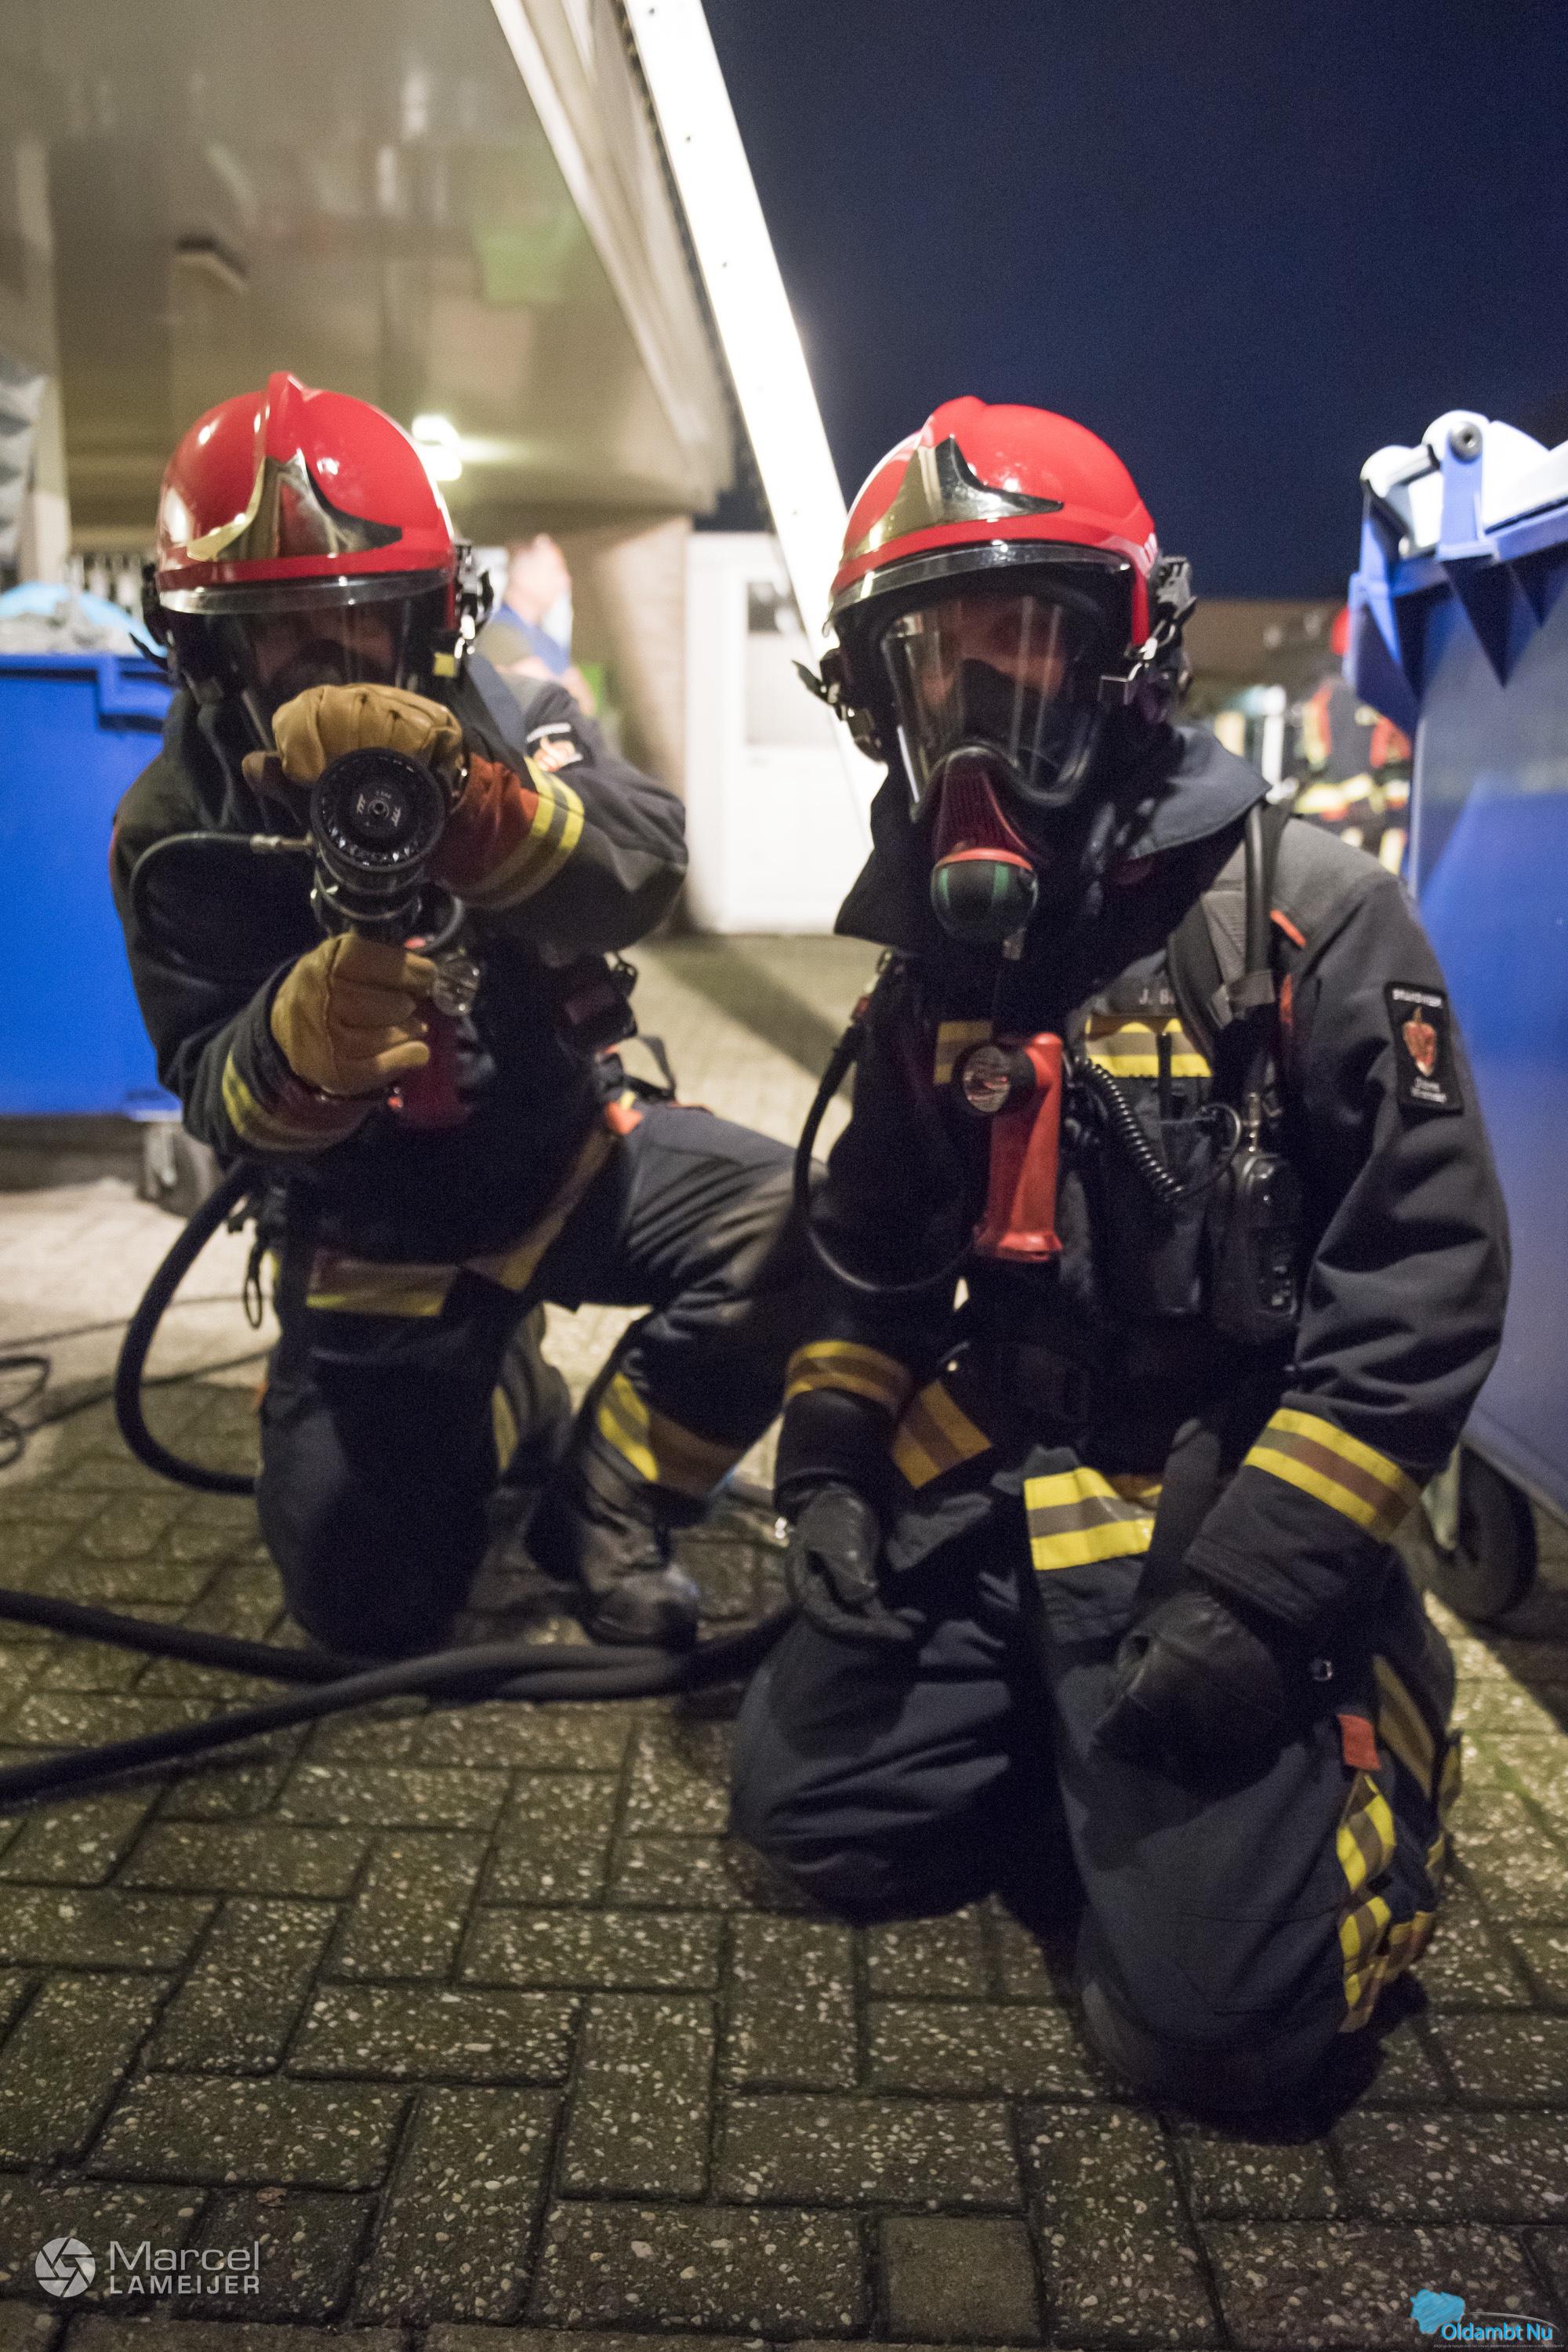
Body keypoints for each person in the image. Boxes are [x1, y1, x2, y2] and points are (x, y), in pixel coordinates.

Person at [729, 397, 1508, 2112]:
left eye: (1024, 635)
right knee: (811, 1820)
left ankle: (1376, 1718)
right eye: (931, 657)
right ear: (878, 696)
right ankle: (1080, 1746)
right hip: (1002, 1455)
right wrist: (836, 1466)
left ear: (1128, 653)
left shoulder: (1302, 916)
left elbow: (1425, 1286)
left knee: (1218, 2040)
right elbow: (870, 1244)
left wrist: (1258, 1595)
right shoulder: (937, 958)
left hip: (1215, 1493)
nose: (977, 699)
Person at [114, 371, 821, 1657]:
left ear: (430, 620)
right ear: (206, 650)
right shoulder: (174, 833)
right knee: (365, 1608)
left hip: (563, 1160)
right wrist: (291, 1052)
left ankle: (606, 1510)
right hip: (371, 1226)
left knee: (802, 1225)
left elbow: (643, 868)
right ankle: (504, 1396)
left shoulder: (512, 719)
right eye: (277, 630)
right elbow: (203, 1076)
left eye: (358, 618)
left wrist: (476, 808)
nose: (325, 661)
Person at [476, 534, 600, 716]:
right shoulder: (498, 633)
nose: (565, 580)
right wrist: (565, 687)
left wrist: (561, 689)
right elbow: (550, 701)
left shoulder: (549, 642)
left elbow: (586, 705)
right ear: (522, 576)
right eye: (555, 570)